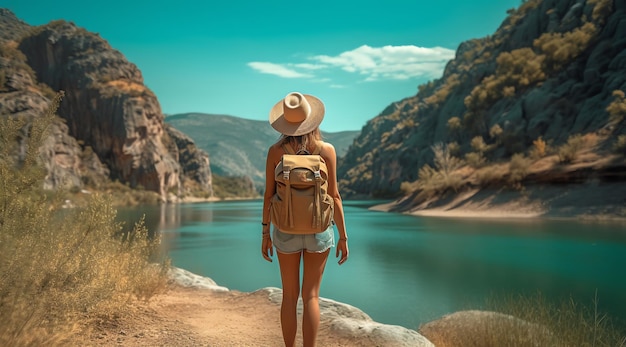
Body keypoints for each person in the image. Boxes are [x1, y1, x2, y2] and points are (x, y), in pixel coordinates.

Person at [261, 92, 349, 347]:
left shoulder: (275, 151)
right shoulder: (327, 150)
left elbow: (268, 196)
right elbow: (335, 196)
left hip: (285, 229)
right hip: (319, 229)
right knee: (311, 297)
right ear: (314, 121)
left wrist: (265, 233)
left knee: (289, 296)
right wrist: (343, 237)